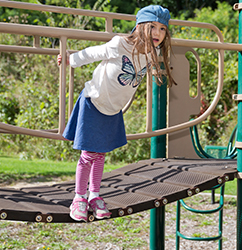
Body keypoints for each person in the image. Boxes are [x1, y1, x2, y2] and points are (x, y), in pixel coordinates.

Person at [57, 5, 175, 222]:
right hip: (94, 102)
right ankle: (79, 198)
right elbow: (93, 53)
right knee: (88, 155)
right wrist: (69, 60)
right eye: (152, 27)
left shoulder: (152, 52)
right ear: (140, 27)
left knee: (100, 154)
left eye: (162, 29)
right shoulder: (119, 44)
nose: (158, 33)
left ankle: (94, 196)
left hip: (112, 110)